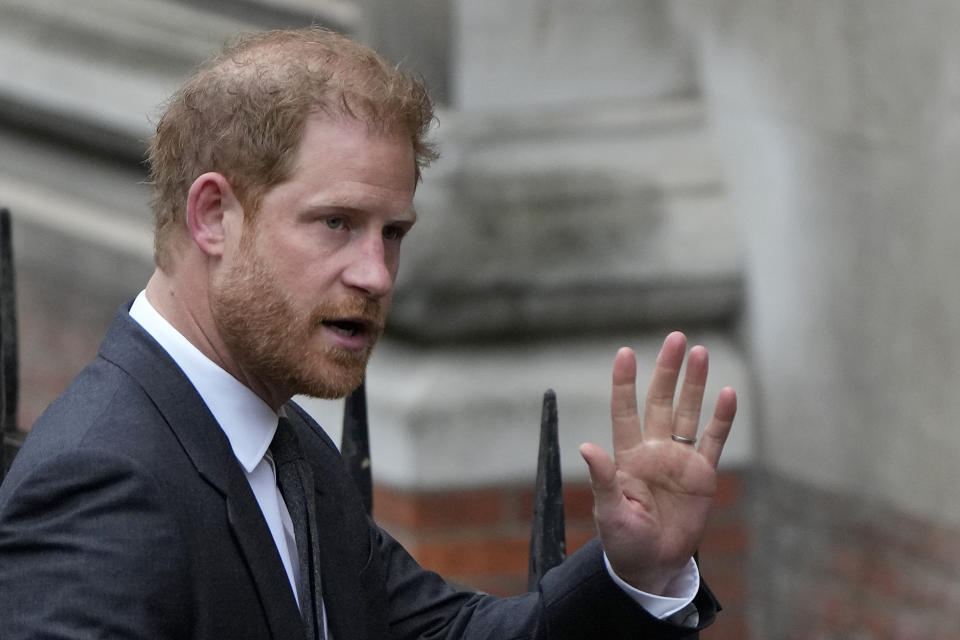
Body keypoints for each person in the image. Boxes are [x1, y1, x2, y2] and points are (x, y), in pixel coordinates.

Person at [0, 27, 737, 639]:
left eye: (393, 234)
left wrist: (634, 573)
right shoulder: (104, 479)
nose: (377, 275)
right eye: (337, 224)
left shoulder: (289, 453)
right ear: (213, 216)